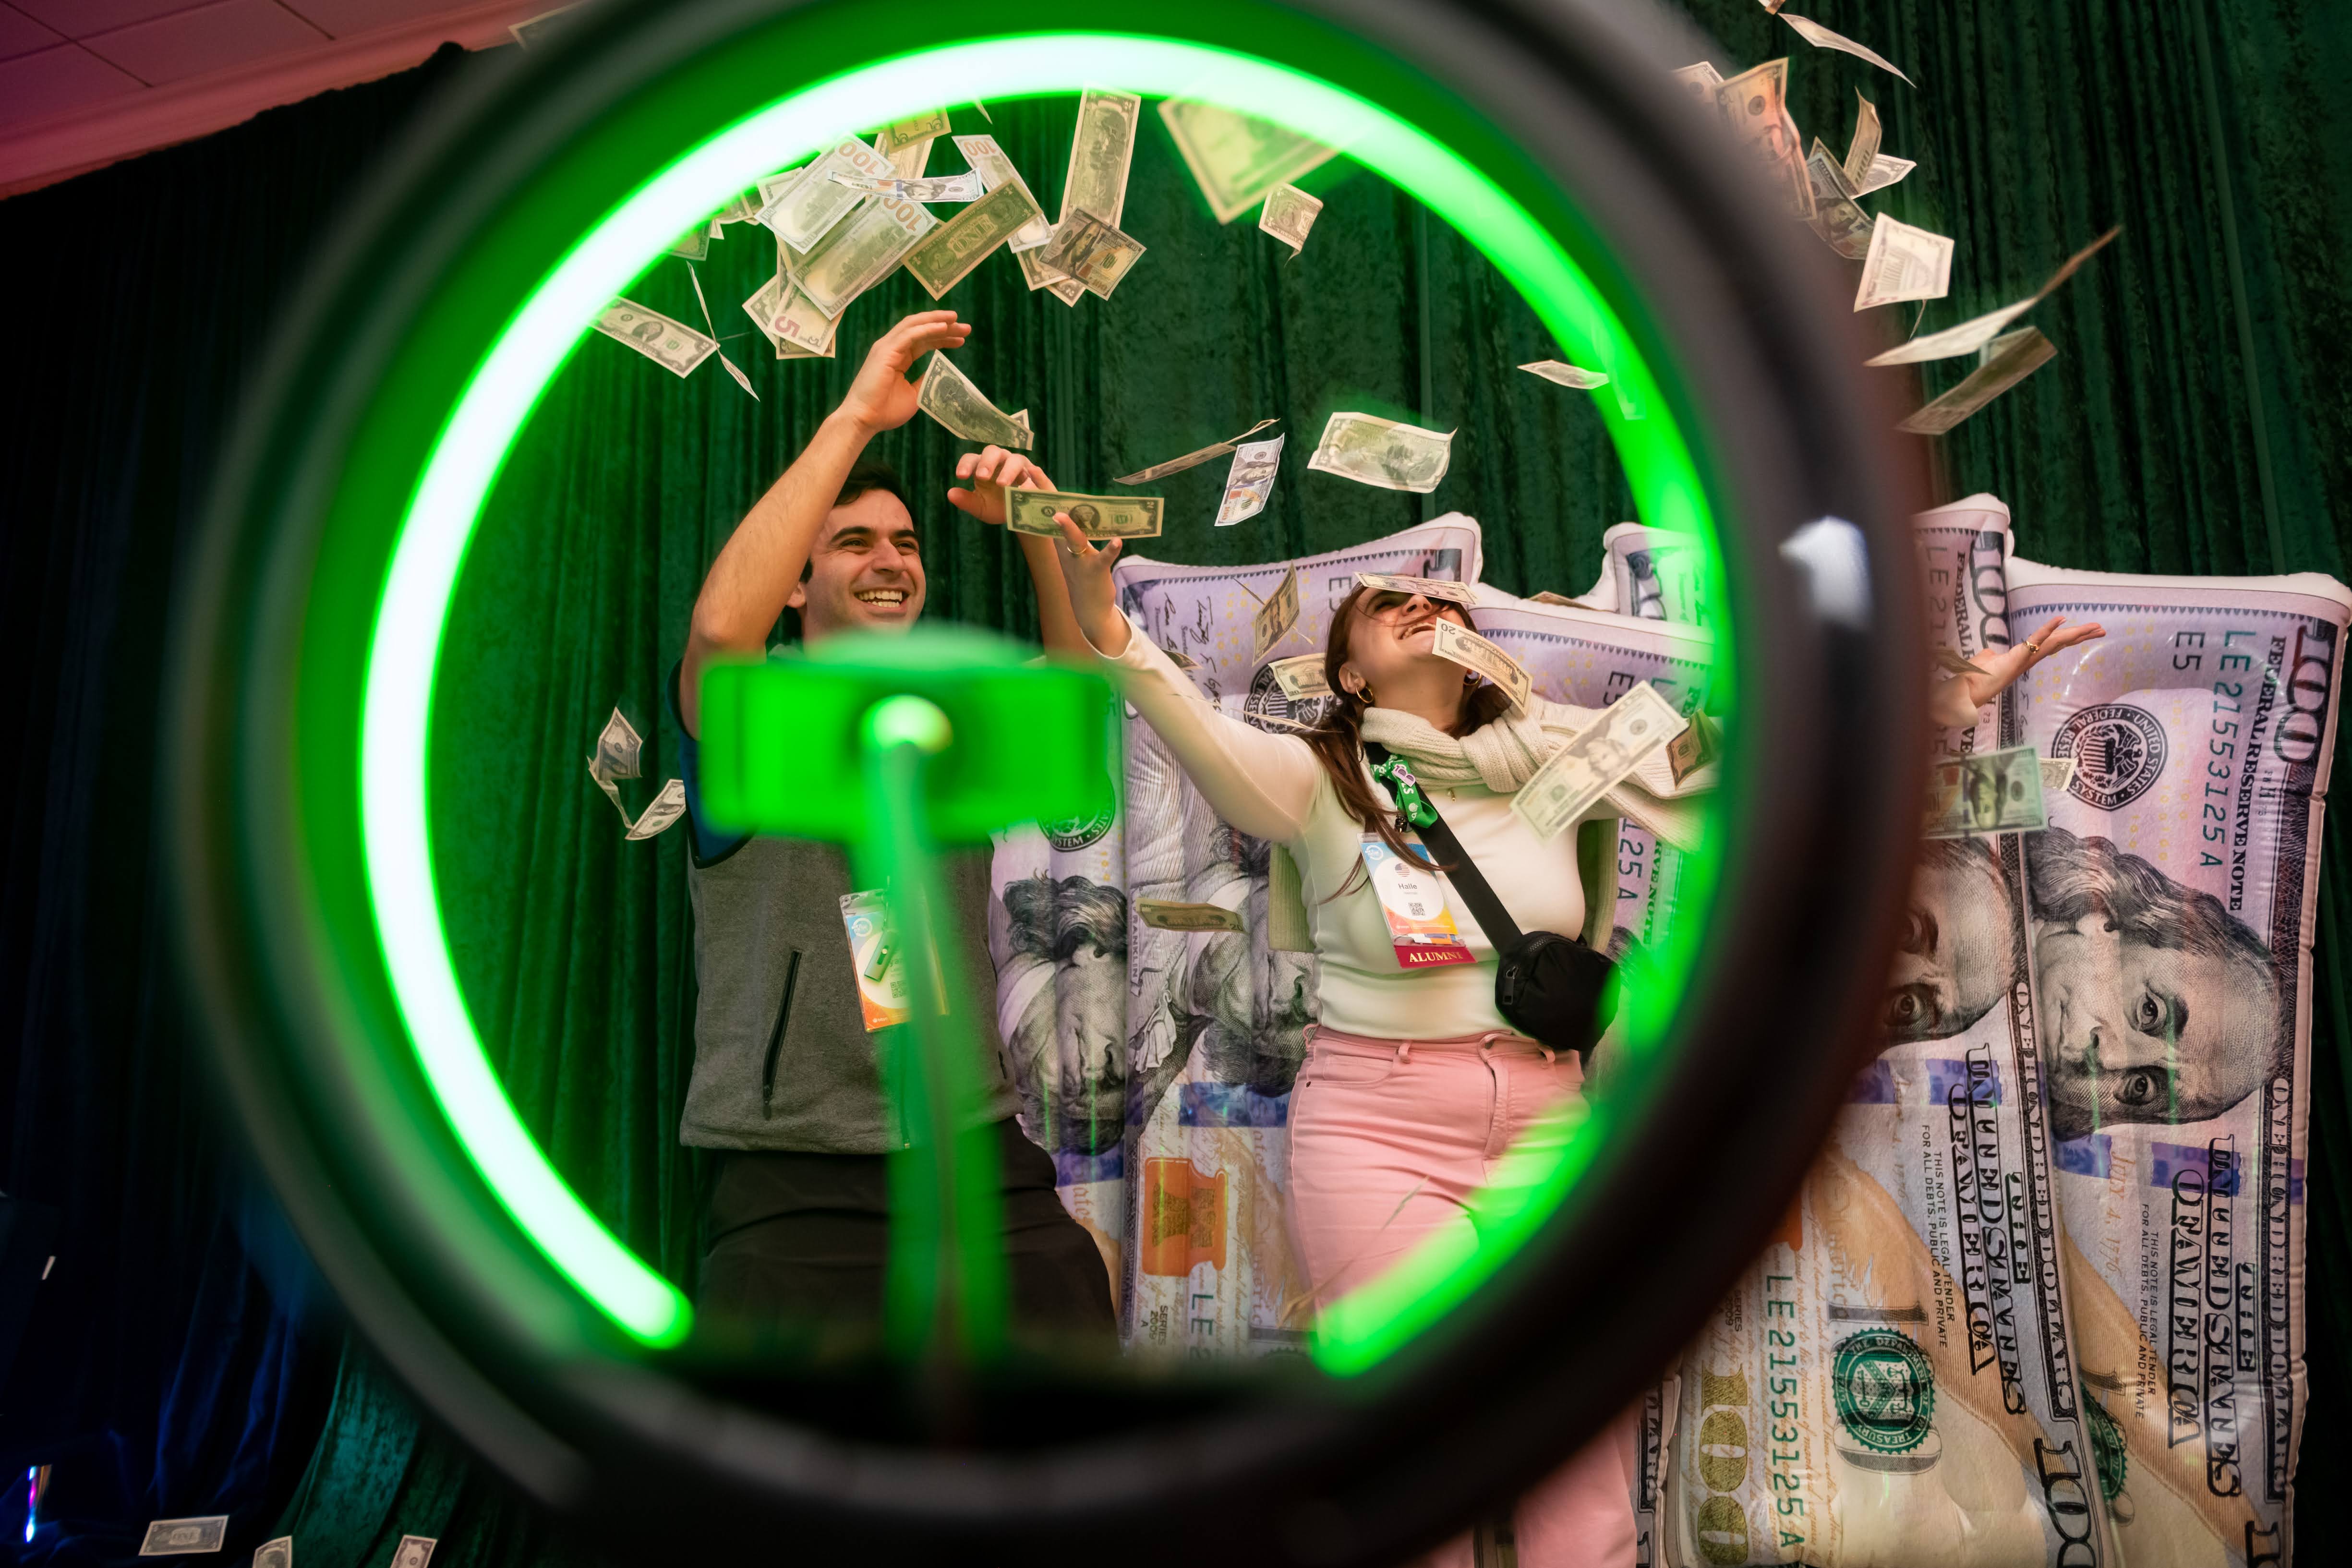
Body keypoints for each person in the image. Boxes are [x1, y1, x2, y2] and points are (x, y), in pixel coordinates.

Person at [1046, 519, 1668, 1567]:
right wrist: (1105, 622)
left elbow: (1728, 767)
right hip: (1378, 1131)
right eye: (1387, 604)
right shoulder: (1316, 781)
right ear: (1347, 670)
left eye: (1439, 600)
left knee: (1582, 1461)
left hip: (1549, 1128)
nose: (1421, 604)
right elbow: (1190, 727)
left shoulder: (1557, 760)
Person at [669, 308, 1113, 1343]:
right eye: (853, 541)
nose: (891, 560)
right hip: (795, 1172)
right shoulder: (755, 719)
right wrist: (856, 421)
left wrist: (1039, 533)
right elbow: (717, 628)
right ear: (795, 582)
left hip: (971, 1148)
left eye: (907, 543)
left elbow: (1079, 699)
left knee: (1071, 1316)